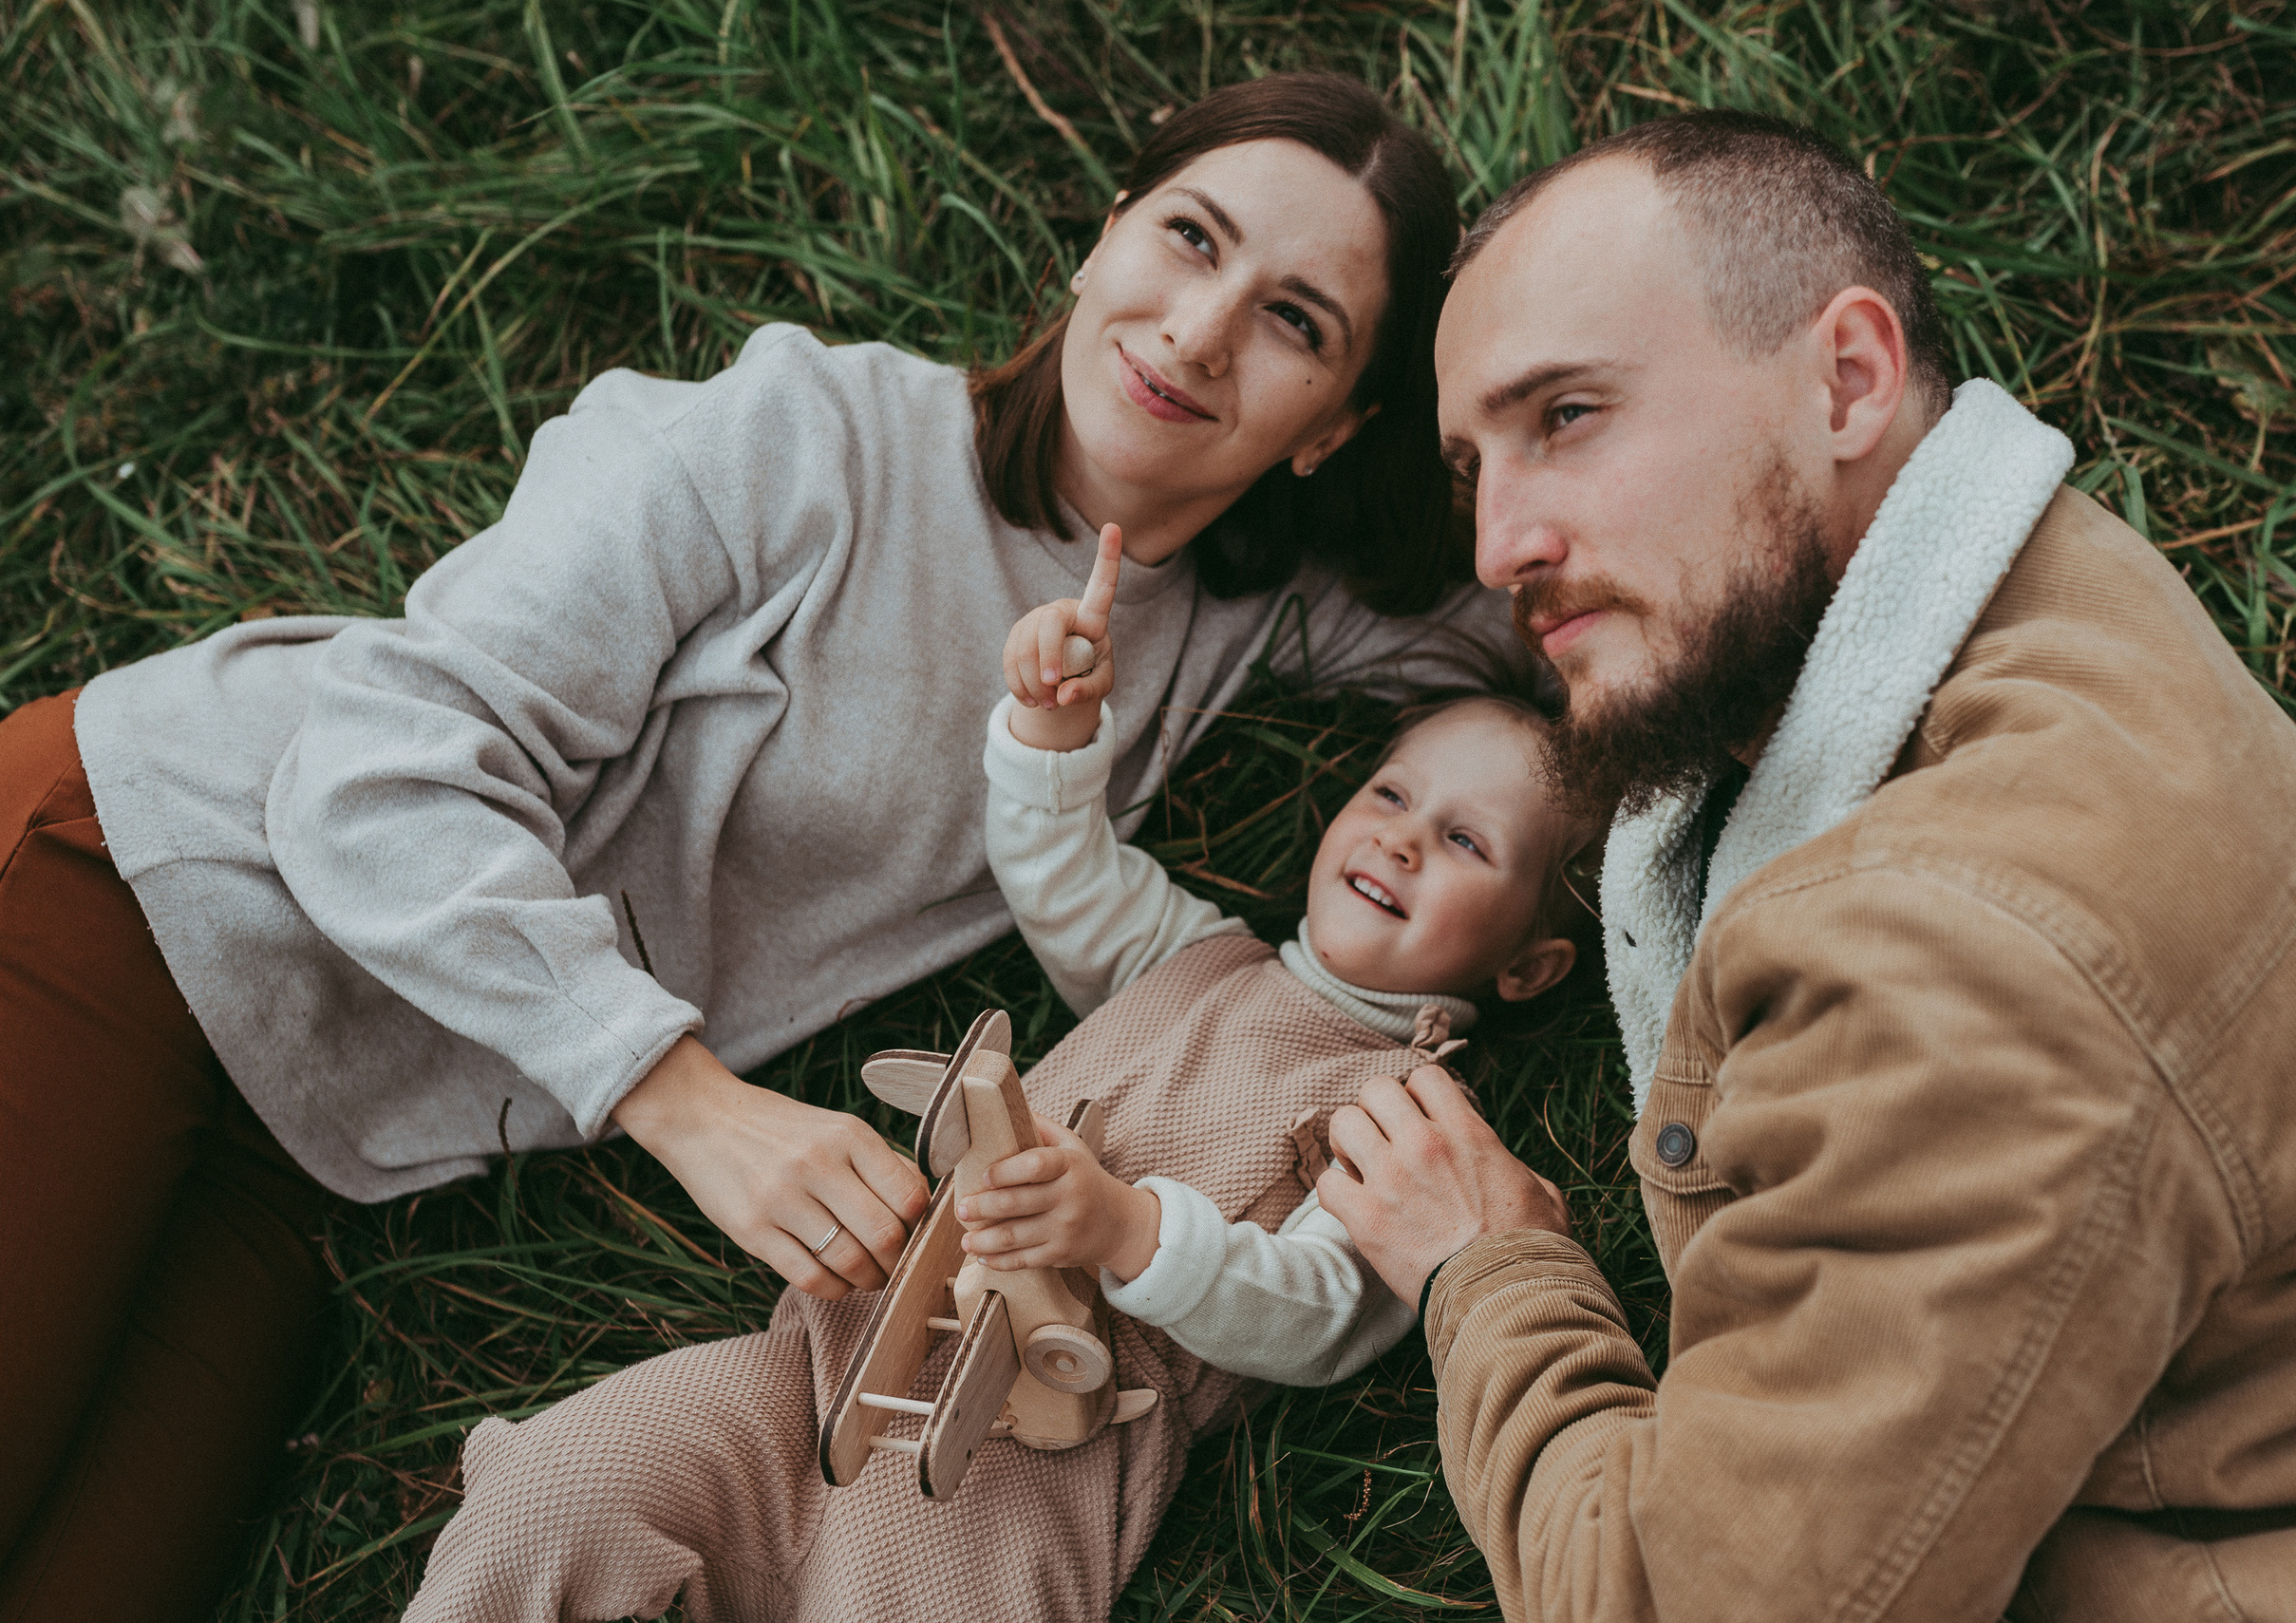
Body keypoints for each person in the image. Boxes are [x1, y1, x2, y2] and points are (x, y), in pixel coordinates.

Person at [0, 73, 1521, 1621]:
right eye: (1189, 238)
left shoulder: (1250, 624)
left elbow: (1550, 602)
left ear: (1338, 425)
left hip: (323, 1140)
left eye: (1295, 321)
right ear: (1105, 234)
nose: (1200, 330)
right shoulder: (799, 435)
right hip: (143, 883)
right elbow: (368, 768)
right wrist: (692, 1102)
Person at [1318, 110, 2296, 1622]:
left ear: (1849, 379)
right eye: (1474, 470)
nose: (1503, 541)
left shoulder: (1958, 966)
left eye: (1568, 415)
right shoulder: (2048, 582)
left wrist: (1489, 1268)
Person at [396, 530, 1599, 1622]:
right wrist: (1052, 732)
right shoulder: (1191, 950)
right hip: (822, 1365)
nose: (1399, 835)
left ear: (1533, 966)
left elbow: (1322, 1310)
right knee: (559, 1491)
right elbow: (1063, 872)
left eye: (1463, 841)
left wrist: (1130, 1229)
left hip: (1023, 1466)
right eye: (1391, 794)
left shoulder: (1405, 1115)